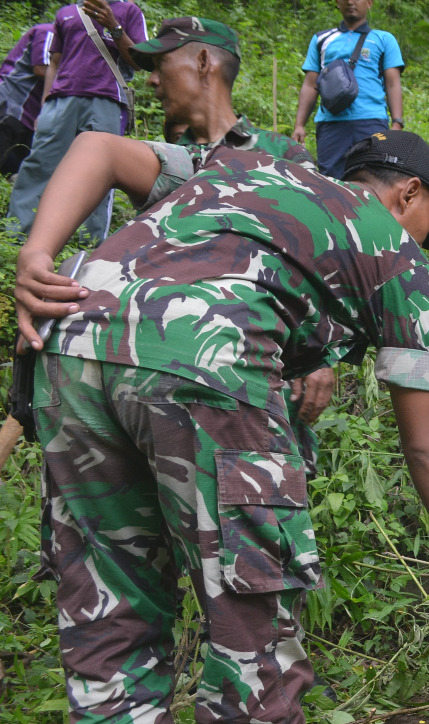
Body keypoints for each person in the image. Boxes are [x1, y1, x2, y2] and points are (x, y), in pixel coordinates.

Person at [14, 130, 429, 724]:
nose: (425, 245)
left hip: (71, 340)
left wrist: (37, 252)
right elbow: (427, 443)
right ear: (409, 194)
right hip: (207, 354)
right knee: (251, 610)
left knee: (107, 595)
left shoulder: (247, 167)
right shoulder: (399, 257)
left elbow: (94, 144)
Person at [128, 16, 336, 468]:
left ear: (203, 62)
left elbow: (313, 261)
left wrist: (321, 356)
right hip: (153, 371)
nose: (151, 80)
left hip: (247, 375)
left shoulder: (281, 156)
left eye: (161, 64)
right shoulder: (149, 162)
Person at [6, 0, 147, 244]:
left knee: (100, 171)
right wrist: (45, 105)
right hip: (61, 100)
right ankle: (15, 232)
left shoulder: (128, 11)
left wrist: (114, 26)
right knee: (39, 164)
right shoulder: (66, 13)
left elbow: (141, 61)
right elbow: (55, 63)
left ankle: (90, 242)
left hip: (107, 98)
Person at [291, 0, 404, 178]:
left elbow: (393, 83)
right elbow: (310, 84)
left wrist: (397, 122)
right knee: (332, 183)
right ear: (337, 3)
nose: (351, 2)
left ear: (369, 3)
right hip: (331, 124)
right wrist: (299, 125)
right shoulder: (321, 40)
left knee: (373, 179)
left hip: (372, 122)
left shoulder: (384, 39)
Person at [0, 22, 54, 176]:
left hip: (27, 116)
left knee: (22, 167)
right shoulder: (50, 32)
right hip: (11, 106)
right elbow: (42, 69)